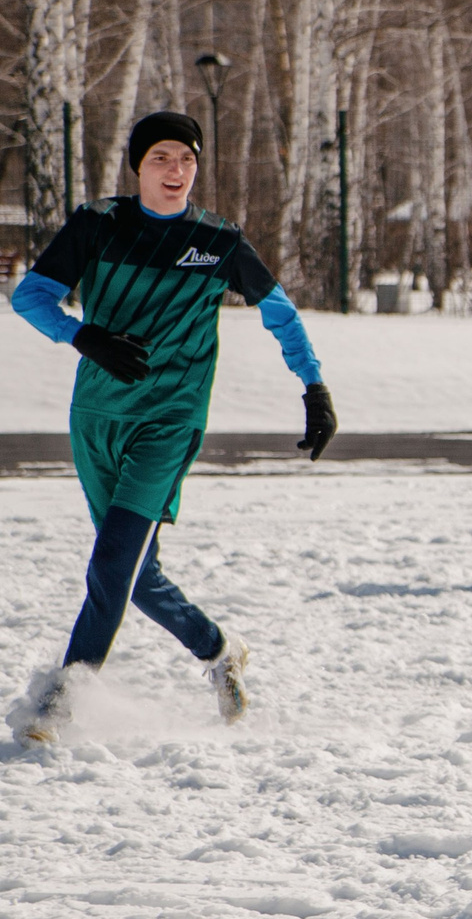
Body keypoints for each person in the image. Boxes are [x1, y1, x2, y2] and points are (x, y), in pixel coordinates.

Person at [9, 111, 336, 742]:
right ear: (138, 166)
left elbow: (280, 312)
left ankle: (60, 700)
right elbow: (30, 297)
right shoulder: (98, 224)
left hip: (169, 422)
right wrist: (83, 336)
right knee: (135, 575)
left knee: (112, 563)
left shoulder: (217, 240)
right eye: (160, 157)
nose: (176, 170)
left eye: (186, 159)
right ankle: (219, 649)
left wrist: (314, 387)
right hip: (96, 419)